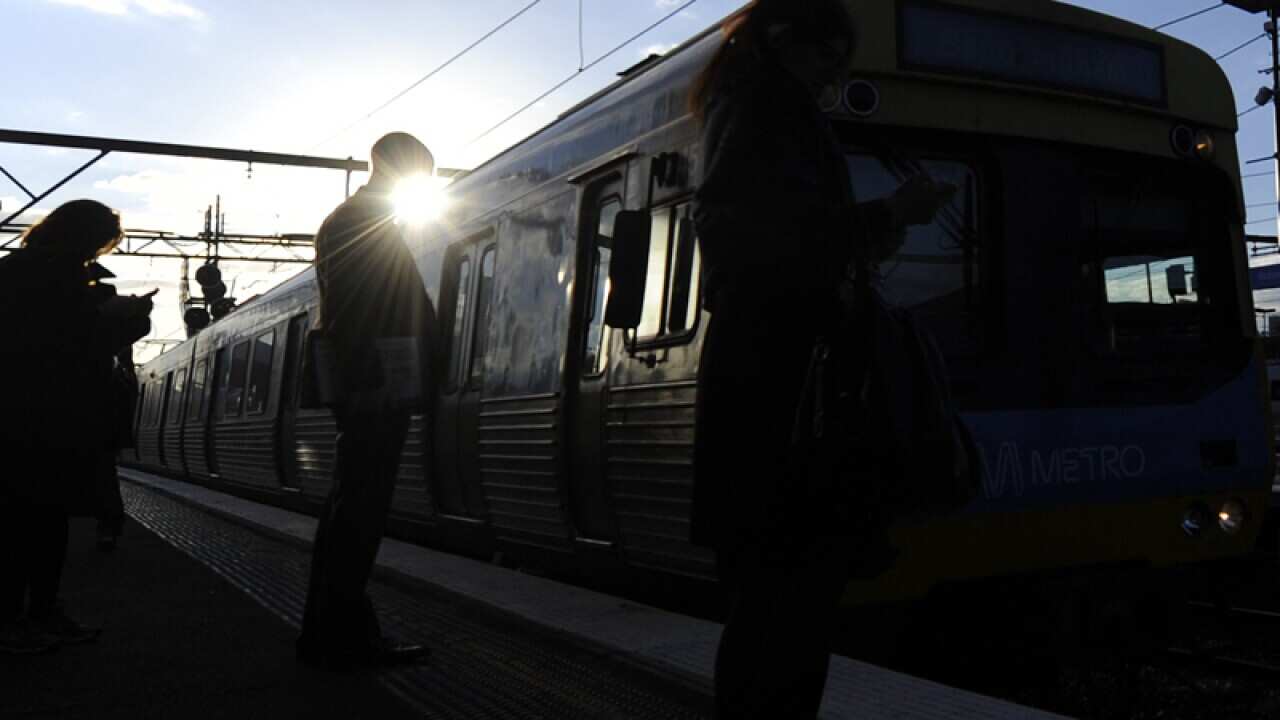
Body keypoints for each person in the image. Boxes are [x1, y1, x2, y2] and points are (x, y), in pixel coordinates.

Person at [688, 1, 953, 717]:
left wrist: (875, 231)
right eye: (827, 60)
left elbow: (783, 237)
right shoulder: (765, 107)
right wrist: (891, 214)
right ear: (785, 42)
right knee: (787, 605)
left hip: (770, 388)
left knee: (777, 604)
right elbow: (770, 240)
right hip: (782, 396)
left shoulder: (751, 103)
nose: (833, 78)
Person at [297, 131, 440, 670]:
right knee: (358, 512)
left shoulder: (356, 220)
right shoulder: (360, 222)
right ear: (391, 166)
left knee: (350, 511)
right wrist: (373, 383)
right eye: (418, 168)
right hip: (372, 387)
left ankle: (330, 633)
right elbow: (357, 313)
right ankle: (343, 639)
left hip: (368, 382)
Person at [0, 199, 152, 655]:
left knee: (20, 520)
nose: (98, 256)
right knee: (40, 521)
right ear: (84, 237)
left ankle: (26, 617)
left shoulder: (15, 268)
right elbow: (71, 345)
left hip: (17, 415)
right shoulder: (59, 276)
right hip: (46, 418)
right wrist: (127, 325)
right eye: (99, 245)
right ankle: (28, 618)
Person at [87, 262, 143, 552]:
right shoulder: (114, 309)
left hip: (69, 405)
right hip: (102, 408)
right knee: (104, 471)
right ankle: (108, 525)